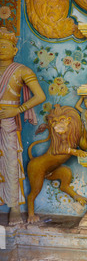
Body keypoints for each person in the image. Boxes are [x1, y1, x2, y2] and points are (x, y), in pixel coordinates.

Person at [0, 28, 46, 224]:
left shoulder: (21, 70)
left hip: (8, 120)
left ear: (14, 49)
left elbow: (40, 96)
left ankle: (14, 208)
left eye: (4, 45)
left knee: (11, 163)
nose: (1, 49)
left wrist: (18, 110)